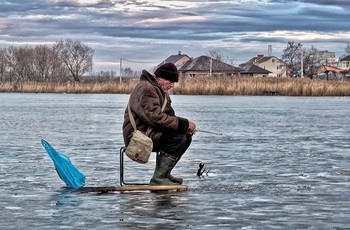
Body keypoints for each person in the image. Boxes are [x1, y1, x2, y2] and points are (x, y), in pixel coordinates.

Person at [122, 63, 196, 185]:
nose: (172, 85)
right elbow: (154, 117)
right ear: (160, 78)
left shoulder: (160, 91)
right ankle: (159, 178)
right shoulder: (146, 89)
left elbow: (169, 116)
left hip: (150, 132)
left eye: (174, 82)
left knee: (185, 136)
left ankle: (165, 174)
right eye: (170, 81)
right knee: (178, 138)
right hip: (137, 136)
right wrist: (183, 124)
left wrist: (185, 127)